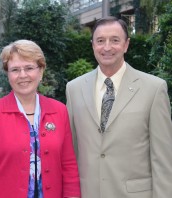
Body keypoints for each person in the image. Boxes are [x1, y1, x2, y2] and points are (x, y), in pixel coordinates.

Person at [66, 16, 172, 198]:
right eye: (100, 41)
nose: (107, 47)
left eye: (115, 40)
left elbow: (163, 159)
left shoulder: (154, 89)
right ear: (92, 45)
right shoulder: (74, 89)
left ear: (126, 45)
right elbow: (71, 151)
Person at [0, 40, 80, 198]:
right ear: (8, 74)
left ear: (41, 71)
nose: (22, 75)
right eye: (15, 69)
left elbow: (69, 166)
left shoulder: (59, 110)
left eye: (29, 68)